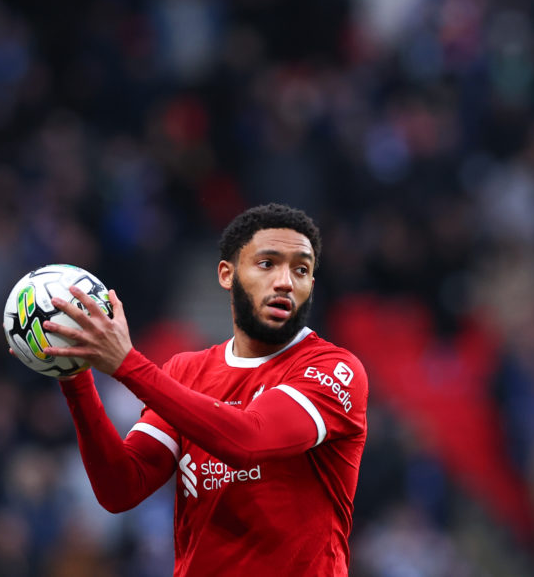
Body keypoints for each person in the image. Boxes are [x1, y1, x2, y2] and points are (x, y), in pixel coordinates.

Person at [40, 203, 368, 575]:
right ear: (227, 275)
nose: (285, 281)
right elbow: (121, 489)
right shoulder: (186, 371)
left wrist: (126, 364)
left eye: (301, 269)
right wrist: (74, 373)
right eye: (267, 264)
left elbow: (248, 441)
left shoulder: (334, 370)